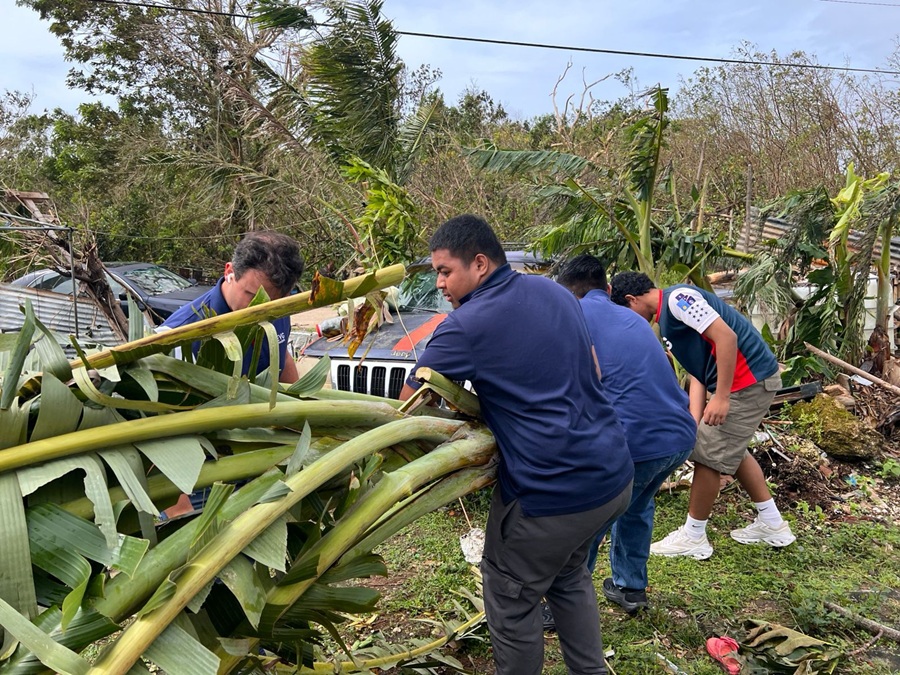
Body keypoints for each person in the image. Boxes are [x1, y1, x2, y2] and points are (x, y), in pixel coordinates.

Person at [399, 215, 633, 675]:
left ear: (480, 263)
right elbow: (593, 370)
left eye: (445, 271)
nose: (440, 283)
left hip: (550, 494)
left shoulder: (465, 325)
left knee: (510, 598)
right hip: (611, 475)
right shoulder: (553, 292)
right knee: (567, 575)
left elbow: (410, 405)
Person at [609, 271, 795, 559]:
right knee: (727, 447)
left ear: (632, 300)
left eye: (625, 311)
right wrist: (693, 421)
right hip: (743, 382)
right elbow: (699, 371)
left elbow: (726, 337)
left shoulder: (679, 301)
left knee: (708, 455)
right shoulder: (668, 319)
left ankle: (694, 535)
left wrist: (721, 397)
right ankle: (772, 523)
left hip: (747, 382)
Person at [556, 255, 696, 614]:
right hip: (678, 438)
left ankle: (567, 602)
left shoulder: (572, 317)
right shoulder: (632, 318)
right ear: (607, 288)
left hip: (636, 441)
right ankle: (630, 587)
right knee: (635, 504)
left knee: (587, 515)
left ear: (563, 294)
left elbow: (584, 382)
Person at [161, 230, 305, 383]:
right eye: (254, 296)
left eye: (274, 303)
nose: (263, 311)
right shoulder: (178, 337)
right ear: (229, 271)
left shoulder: (278, 307)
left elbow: (283, 358)